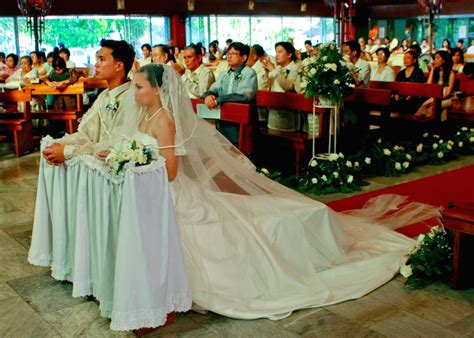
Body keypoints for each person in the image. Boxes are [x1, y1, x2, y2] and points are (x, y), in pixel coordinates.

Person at [122, 63, 439, 321]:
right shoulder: (145, 115)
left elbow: (172, 170)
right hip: (155, 189)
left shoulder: (164, 121)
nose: (135, 91)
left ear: (158, 90)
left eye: (139, 86)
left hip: (170, 190)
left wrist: (138, 164)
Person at [42, 39, 137, 165]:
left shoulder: (132, 98)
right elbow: (87, 134)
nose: (96, 64)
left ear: (119, 66)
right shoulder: (104, 96)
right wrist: (62, 143)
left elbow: (116, 146)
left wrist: (68, 151)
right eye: (97, 59)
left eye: (102, 60)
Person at [202, 42, 257, 145]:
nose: (229, 56)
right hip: (225, 117)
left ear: (244, 57)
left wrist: (218, 100)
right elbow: (213, 89)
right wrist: (208, 96)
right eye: (228, 53)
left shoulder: (249, 73)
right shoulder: (225, 74)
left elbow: (244, 96)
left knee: (239, 150)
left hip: (243, 121)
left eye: (233, 53)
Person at [263, 41, 299, 131]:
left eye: (280, 52)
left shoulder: (295, 68)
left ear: (289, 54)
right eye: (276, 52)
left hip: (288, 113)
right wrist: (267, 72)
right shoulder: (277, 68)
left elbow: (288, 86)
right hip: (273, 110)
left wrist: (273, 70)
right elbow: (265, 85)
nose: (276, 55)